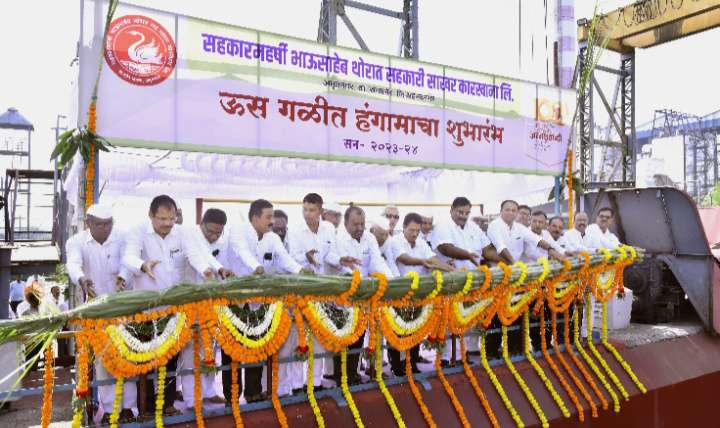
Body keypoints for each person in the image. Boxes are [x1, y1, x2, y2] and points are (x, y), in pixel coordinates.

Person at [123, 195, 213, 416]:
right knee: (145, 359)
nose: (168, 223)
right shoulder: (138, 231)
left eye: (171, 218)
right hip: (145, 309)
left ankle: (167, 405)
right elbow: (128, 257)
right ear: (151, 215)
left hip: (173, 309)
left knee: (171, 357)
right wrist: (143, 265)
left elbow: (194, 254)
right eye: (162, 219)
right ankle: (145, 408)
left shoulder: (182, 233)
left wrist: (205, 270)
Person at [228, 199, 310, 401]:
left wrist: (301, 271)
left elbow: (285, 259)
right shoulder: (238, 231)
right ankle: (232, 398)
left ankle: (254, 392)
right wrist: (257, 268)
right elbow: (242, 252)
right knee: (235, 351)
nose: (272, 221)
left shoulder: (272, 238)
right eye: (268, 217)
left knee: (259, 346)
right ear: (255, 218)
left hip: (262, 303)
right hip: (237, 303)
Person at [66, 204, 136, 423]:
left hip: (124, 308)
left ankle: (128, 408)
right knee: (104, 362)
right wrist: (81, 279)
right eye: (100, 224)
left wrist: (124, 276)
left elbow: (129, 260)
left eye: (108, 224)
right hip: (97, 312)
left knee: (128, 357)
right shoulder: (76, 242)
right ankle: (109, 410)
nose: (105, 228)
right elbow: (73, 264)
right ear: (88, 223)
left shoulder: (122, 237)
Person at [288, 193, 354, 392]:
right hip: (301, 291)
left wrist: (341, 260)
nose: (307, 214)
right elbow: (291, 258)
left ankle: (315, 383)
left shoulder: (328, 229)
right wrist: (306, 258)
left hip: (323, 292)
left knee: (318, 338)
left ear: (321, 211)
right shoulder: (295, 230)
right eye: (305, 209)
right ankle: (296, 385)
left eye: (312, 210)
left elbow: (330, 255)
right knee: (299, 338)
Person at [486, 201, 565, 356]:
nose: (510, 213)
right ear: (501, 211)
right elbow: (500, 247)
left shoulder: (519, 228)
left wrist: (552, 250)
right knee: (495, 315)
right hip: (498, 276)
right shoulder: (494, 226)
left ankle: (514, 350)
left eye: (513, 210)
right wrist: (514, 264)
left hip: (517, 279)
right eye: (507, 209)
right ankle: (491, 352)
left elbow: (536, 239)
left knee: (515, 314)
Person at [179, 208, 234, 409]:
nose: (214, 236)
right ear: (201, 224)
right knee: (190, 353)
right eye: (210, 231)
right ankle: (191, 400)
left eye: (218, 233)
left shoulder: (222, 241)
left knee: (210, 349)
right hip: (189, 303)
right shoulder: (190, 235)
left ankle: (209, 392)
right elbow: (197, 256)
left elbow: (214, 260)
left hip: (211, 305)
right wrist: (209, 270)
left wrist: (221, 270)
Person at [433, 197, 498, 363]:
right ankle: (446, 358)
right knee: (448, 320)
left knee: (465, 318)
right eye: (460, 212)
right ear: (451, 210)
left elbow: (486, 250)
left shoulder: (473, 227)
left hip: (471, 283)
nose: (463, 216)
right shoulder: (442, 226)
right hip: (450, 281)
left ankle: (462, 355)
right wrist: (467, 255)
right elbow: (445, 248)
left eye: (466, 213)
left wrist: (505, 260)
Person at [388, 213, 453, 376]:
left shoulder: (422, 242)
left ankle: (412, 363)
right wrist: (423, 261)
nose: (415, 233)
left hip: (419, 295)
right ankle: (397, 366)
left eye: (417, 230)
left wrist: (449, 269)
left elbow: (433, 258)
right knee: (398, 330)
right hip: (399, 294)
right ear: (404, 227)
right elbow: (405, 259)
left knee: (415, 329)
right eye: (412, 230)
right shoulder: (395, 241)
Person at [334, 205, 392, 384]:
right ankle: (343, 378)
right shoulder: (338, 239)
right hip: (344, 297)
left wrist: (391, 280)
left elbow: (377, 262)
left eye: (362, 224)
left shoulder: (369, 238)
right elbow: (342, 267)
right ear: (345, 223)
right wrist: (358, 282)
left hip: (365, 296)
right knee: (344, 338)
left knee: (359, 337)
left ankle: (353, 375)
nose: (360, 228)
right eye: (355, 224)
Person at [521, 211, 564, 351]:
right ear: (530, 221)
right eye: (535, 221)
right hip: (528, 282)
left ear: (545, 224)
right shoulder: (526, 234)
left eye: (540, 222)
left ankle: (546, 342)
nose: (537, 224)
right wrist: (553, 256)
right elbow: (532, 254)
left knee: (547, 312)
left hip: (545, 281)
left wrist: (565, 254)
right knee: (533, 314)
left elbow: (556, 248)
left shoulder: (546, 235)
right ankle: (535, 344)